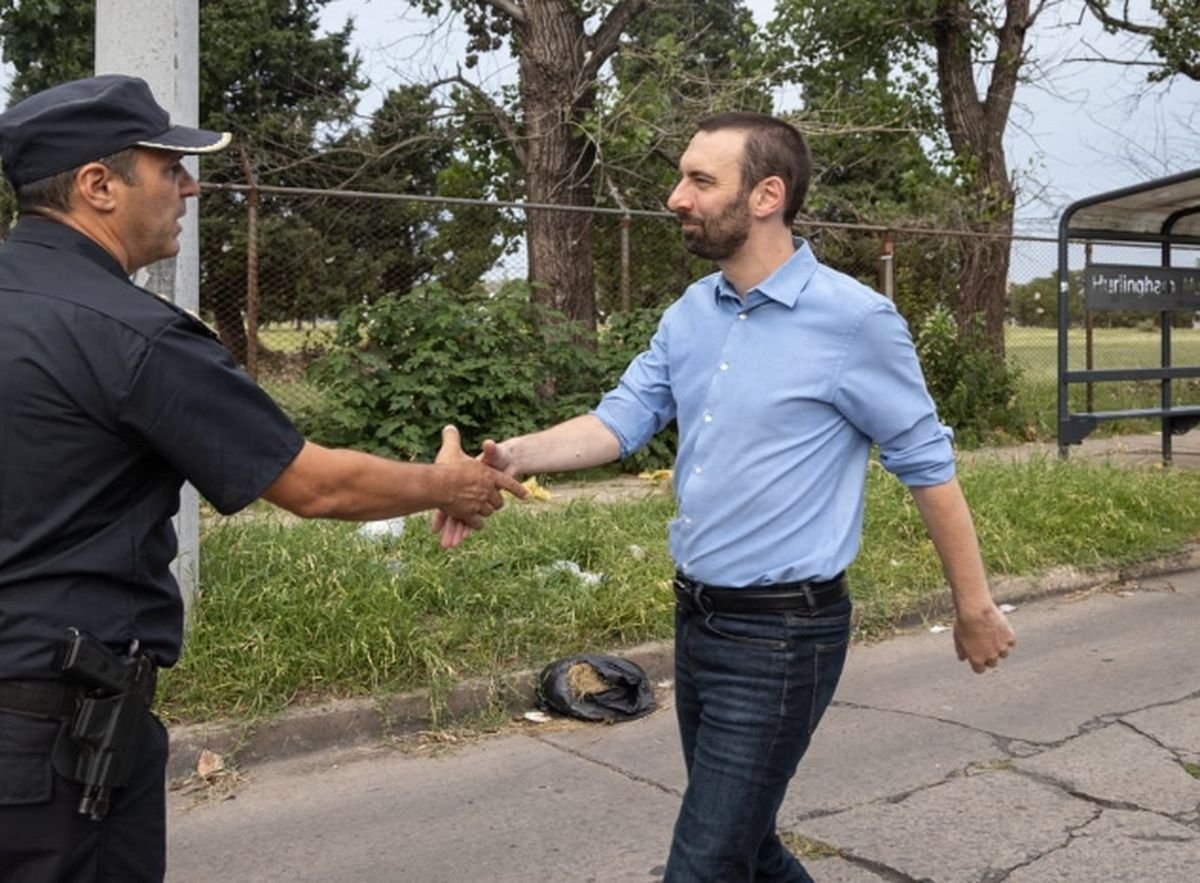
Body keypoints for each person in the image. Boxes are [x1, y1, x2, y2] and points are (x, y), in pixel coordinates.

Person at [437, 111, 1017, 882]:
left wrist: (974, 605)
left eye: (700, 180)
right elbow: (619, 421)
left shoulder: (855, 322)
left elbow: (926, 465)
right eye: (681, 177)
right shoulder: (691, 313)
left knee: (706, 862)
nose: (676, 197)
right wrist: (504, 458)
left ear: (767, 195)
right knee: (748, 845)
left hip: (785, 634)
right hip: (699, 619)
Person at [0, 74, 526, 883]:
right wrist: (448, 485)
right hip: (49, 748)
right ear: (98, 185)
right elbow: (313, 485)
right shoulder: (132, 336)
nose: (189, 186)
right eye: (168, 167)